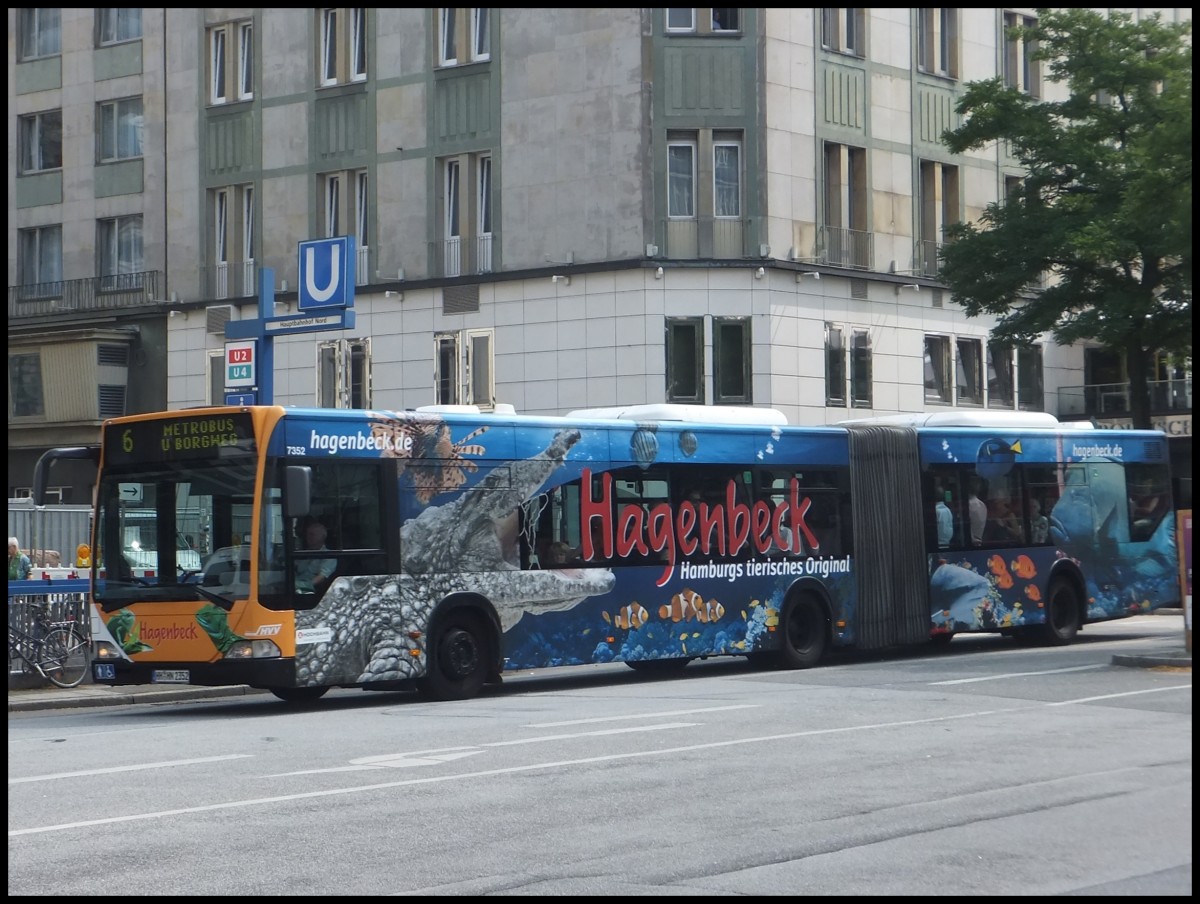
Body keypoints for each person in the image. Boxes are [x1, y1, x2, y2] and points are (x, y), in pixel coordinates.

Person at [295, 519, 337, 592]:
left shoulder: (329, 556)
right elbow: (295, 567)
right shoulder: (303, 553)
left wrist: (303, 586)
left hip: (310, 589)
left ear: (323, 537)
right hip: (296, 583)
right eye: (307, 534)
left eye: (312, 534)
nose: (308, 537)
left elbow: (321, 577)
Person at [967, 478, 987, 547]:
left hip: (972, 542)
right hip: (979, 540)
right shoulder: (982, 504)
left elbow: (968, 525)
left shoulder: (969, 505)